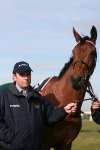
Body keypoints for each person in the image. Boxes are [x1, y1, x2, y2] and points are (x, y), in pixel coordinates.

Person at [0, 61, 78, 150]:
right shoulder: (3, 95)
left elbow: (50, 116)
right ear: (14, 77)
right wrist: (11, 138)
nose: (26, 77)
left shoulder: (37, 97)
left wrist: (64, 110)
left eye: (28, 74)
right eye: (22, 74)